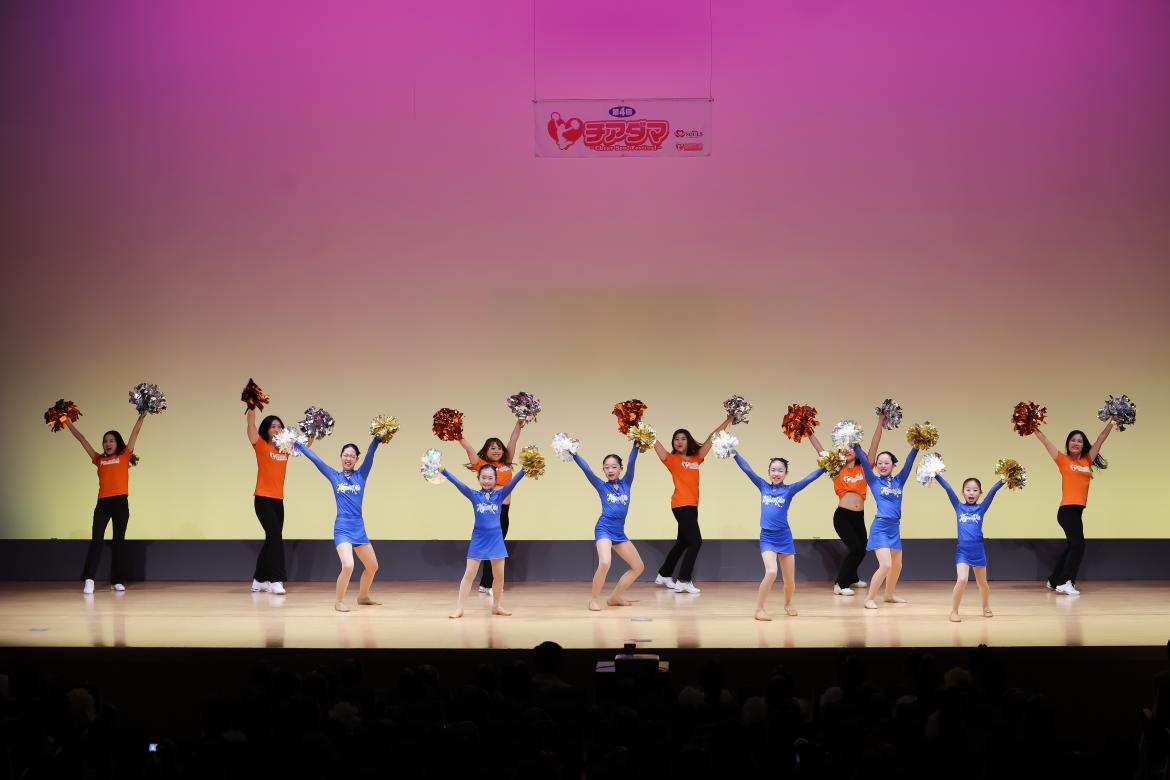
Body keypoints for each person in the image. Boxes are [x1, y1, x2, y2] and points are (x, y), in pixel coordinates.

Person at [731, 448, 825, 619]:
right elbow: (747, 469)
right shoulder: (763, 486)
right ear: (768, 472)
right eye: (773, 470)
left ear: (786, 473)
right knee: (772, 572)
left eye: (780, 470)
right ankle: (759, 609)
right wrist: (734, 452)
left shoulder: (789, 490)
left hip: (784, 537)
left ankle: (788, 604)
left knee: (790, 581)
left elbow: (809, 479)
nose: (776, 473)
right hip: (767, 537)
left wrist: (826, 467)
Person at [64, 412, 148, 594]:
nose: (107, 443)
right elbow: (82, 439)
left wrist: (142, 414)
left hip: (121, 504)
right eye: (105, 441)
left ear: (117, 443)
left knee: (119, 542)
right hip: (103, 504)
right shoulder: (99, 460)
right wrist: (67, 422)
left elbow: (135, 432)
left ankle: (117, 580)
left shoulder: (125, 455)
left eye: (111, 440)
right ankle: (89, 579)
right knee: (97, 540)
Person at [295, 438, 382, 612]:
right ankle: (339, 601)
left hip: (358, 527)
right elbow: (316, 460)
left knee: (373, 566)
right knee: (348, 565)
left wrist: (377, 438)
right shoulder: (334, 476)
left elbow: (370, 454)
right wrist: (298, 445)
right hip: (342, 528)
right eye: (345, 455)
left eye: (352, 456)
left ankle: (363, 596)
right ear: (341, 457)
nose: (348, 458)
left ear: (356, 459)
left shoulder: (361, 475)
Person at [653, 414, 734, 594]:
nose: (679, 441)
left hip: (692, 506)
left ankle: (664, 574)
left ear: (688, 441)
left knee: (682, 542)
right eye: (676, 439)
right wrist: (638, 423)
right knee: (696, 541)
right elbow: (653, 440)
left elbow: (712, 438)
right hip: (680, 505)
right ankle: (683, 580)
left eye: (683, 438)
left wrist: (728, 420)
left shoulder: (697, 458)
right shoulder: (670, 459)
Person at [1031, 421, 1113, 595]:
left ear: (1083, 445)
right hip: (1067, 510)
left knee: (1073, 546)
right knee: (1079, 545)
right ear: (1068, 443)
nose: (1076, 443)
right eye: (1073, 440)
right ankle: (1065, 582)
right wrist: (1032, 426)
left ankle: (1054, 580)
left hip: (1077, 511)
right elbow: (1045, 441)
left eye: (1080, 441)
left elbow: (1101, 438)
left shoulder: (1087, 460)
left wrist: (1112, 421)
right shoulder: (1063, 460)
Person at [807, 413, 885, 595]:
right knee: (856, 548)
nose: (847, 450)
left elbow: (875, 444)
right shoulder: (836, 468)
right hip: (843, 516)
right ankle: (840, 584)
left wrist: (880, 422)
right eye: (843, 447)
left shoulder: (864, 467)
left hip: (859, 516)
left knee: (862, 548)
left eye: (851, 446)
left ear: (856, 448)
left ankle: (852, 577)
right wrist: (808, 431)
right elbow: (820, 450)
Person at [440, 462, 526, 618]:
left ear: (495, 479)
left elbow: (513, 482)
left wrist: (524, 470)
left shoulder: (500, 494)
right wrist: (444, 471)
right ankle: (459, 608)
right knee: (469, 574)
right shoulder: (474, 495)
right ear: (478, 478)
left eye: (490, 478)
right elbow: (459, 484)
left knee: (499, 576)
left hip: (496, 538)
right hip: (478, 539)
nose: (487, 481)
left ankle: (497, 606)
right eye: (484, 477)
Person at [569, 441, 644, 611]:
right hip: (604, 529)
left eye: (614, 467)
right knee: (604, 563)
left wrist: (636, 443)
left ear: (620, 469)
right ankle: (594, 599)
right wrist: (573, 452)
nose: (610, 470)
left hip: (619, 533)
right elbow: (586, 469)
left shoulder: (626, 483)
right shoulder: (601, 486)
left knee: (638, 567)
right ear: (603, 470)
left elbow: (632, 462)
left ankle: (615, 597)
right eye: (606, 467)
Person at [246, 408, 313, 595]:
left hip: (278, 500)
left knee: (271, 539)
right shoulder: (260, 445)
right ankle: (276, 580)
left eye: (279, 426)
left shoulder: (285, 448)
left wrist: (314, 430)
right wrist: (251, 405)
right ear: (266, 430)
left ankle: (259, 580)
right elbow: (250, 426)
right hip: (262, 499)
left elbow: (306, 445)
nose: (276, 429)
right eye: (272, 426)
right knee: (276, 539)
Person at [455, 419, 525, 595]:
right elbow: (469, 450)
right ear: (486, 451)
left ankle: (487, 584)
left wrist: (519, 422)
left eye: (499, 448)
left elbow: (513, 440)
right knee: (492, 548)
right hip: (490, 513)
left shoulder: (506, 464)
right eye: (492, 448)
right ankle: (487, 585)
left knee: (496, 548)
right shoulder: (482, 466)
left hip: (504, 512)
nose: (497, 450)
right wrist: (457, 435)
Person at [852, 442, 919, 609]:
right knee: (886, 565)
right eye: (880, 463)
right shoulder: (874, 481)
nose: (882, 465)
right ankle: (869, 599)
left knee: (897, 565)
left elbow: (909, 463)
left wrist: (916, 446)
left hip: (894, 528)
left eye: (886, 462)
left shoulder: (899, 481)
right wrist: (856, 446)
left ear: (893, 465)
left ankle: (889, 595)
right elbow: (865, 462)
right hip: (880, 527)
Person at [934, 473, 1004, 621]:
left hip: (978, 551)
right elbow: (948, 489)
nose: (971, 493)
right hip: (963, 552)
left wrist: (1003, 480)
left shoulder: (981, 508)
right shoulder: (958, 506)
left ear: (979, 493)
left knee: (982, 584)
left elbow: (992, 492)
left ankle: (986, 606)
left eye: (975, 490)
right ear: (963, 492)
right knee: (962, 579)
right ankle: (954, 611)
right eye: (968, 490)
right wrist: (936, 475)